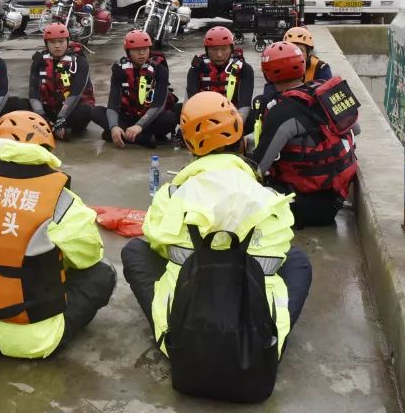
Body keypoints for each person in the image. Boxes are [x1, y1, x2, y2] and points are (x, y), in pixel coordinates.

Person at [120, 92, 312, 397]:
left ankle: (168, 329)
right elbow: (278, 248)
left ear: (188, 145)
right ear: (240, 139)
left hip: (184, 346)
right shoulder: (270, 200)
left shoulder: (171, 197)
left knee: (136, 250)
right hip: (258, 349)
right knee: (297, 260)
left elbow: (156, 241)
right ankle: (272, 339)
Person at [0, 111, 116, 359]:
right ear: (47, 148)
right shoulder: (58, 197)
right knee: (103, 271)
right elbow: (88, 255)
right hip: (32, 341)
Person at [249, 42, 360, 228]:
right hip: (336, 198)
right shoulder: (328, 90)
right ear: (302, 67)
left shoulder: (280, 111)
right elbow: (356, 129)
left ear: (267, 73)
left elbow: (258, 168)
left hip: (302, 205)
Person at [91, 29, 180, 148]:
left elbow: (158, 104)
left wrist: (140, 125)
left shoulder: (160, 69)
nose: (142, 53)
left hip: (150, 119)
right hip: (128, 117)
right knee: (95, 111)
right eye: (136, 50)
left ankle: (125, 136)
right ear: (128, 52)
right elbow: (113, 103)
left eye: (145, 49)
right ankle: (142, 139)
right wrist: (113, 126)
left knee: (170, 118)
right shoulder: (119, 69)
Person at [29, 23, 95, 140]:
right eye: (52, 42)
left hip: (70, 110)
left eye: (61, 41)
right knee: (20, 105)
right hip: (48, 110)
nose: (57, 46)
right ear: (46, 44)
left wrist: (61, 117)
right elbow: (33, 93)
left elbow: (76, 92)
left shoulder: (79, 61)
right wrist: (41, 115)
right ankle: (50, 126)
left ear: (67, 41)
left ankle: (60, 129)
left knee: (86, 111)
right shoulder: (38, 61)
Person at [186, 26, 254, 120]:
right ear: (207, 50)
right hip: (203, 116)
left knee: (255, 114)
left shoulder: (244, 69)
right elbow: (191, 102)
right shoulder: (196, 68)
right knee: (177, 110)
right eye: (214, 50)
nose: (219, 55)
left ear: (231, 49)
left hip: (232, 115)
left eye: (224, 49)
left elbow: (245, 103)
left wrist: (236, 124)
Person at [257, 27, 333, 104]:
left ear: (308, 52)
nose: (296, 55)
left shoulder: (320, 68)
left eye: (300, 50)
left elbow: (328, 96)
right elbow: (269, 93)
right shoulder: (279, 67)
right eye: (291, 50)